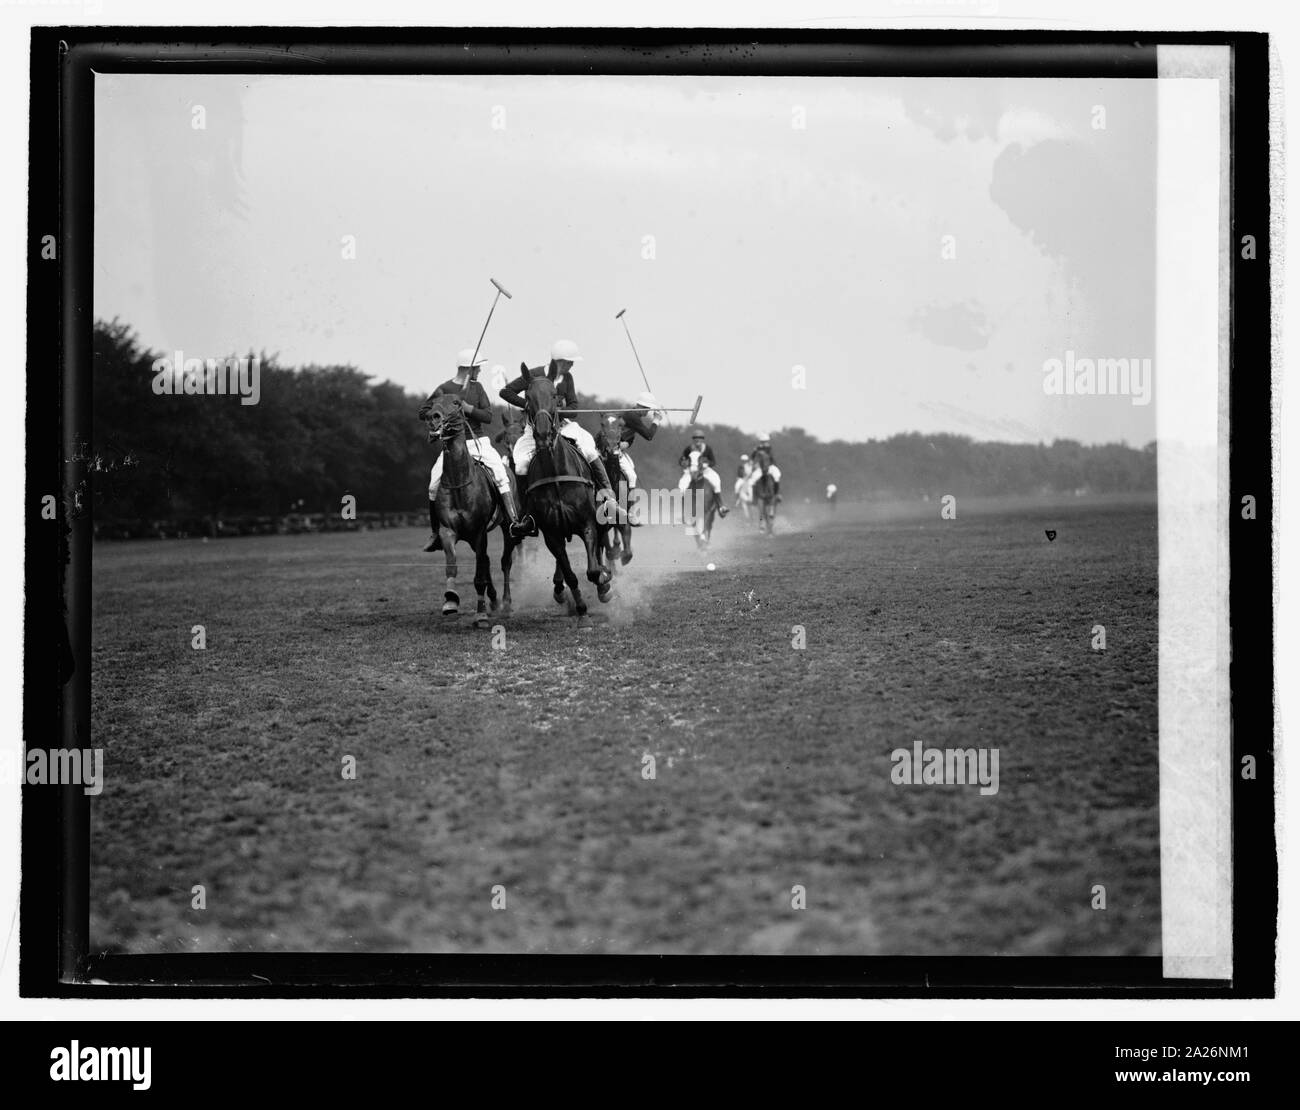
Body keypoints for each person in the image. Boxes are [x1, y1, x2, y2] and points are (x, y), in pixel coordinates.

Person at [499, 339, 615, 537]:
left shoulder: (567, 378)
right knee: (520, 464)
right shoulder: (535, 374)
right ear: (557, 361)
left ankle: (608, 497)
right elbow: (505, 391)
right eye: (569, 362)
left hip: (563, 428)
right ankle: (528, 515)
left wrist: (557, 411)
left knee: (588, 448)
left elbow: (574, 408)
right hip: (534, 429)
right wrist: (528, 405)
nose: (571, 365)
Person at [419, 348, 525, 552]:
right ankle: (435, 533)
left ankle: (513, 523)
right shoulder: (444, 388)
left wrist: (468, 409)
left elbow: (488, 416)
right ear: (468, 369)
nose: (479, 371)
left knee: (502, 476)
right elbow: (423, 411)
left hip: (480, 443)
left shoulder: (477, 388)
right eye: (477, 368)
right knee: (433, 484)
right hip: (452, 445)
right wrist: (439, 411)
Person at [607, 391, 664, 525]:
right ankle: (631, 513)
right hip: (610, 449)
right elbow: (649, 436)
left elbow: (629, 437)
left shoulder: (631, 415)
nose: (647, 412)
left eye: (648, 409)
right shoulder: (633, 416)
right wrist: (657, 420)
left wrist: (626, 443)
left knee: (631, 468)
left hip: (616, 449)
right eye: (646, 409)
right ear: (641, 406)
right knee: (632, 476)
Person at [677, 426, 729, 517]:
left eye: (700, 438)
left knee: (716, 482)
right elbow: (681, 460)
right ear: (693, 440)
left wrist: (707, 464)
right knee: (682, 486)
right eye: (695, 438)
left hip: (705, 471)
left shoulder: (707, 449)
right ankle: (682, 512)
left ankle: (721, 506)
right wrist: (683, 462)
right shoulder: (688, 449)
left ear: (703, 440)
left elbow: (713, 461)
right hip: (691, 471)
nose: (698, 440)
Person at [746, 432, 783, 501]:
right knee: (751, 482)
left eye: (765, 441)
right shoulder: (757, 448)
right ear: (760, 441)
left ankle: (777, 494)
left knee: (776, 476)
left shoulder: (770, 448)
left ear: (767, 441)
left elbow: (772, 458)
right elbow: (752, 458)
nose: (764, 443)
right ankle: (752, 498)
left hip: (770, 467)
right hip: (760, 468)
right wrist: (752, 463)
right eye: (763, 441)